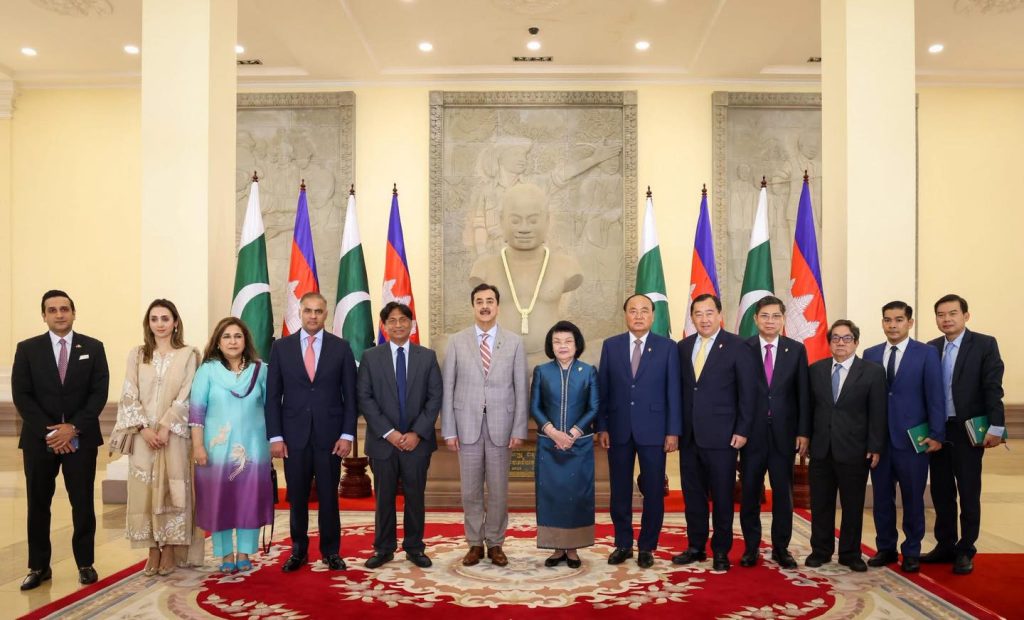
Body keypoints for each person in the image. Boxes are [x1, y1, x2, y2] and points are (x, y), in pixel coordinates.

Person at [12, 290, 109, 590]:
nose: (59, 314)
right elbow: (22, 396)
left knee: (82, 503)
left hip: (82, 439)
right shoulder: (27, 349)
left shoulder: (93, 347)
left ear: (73, 312)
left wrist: (73, 428)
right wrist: (52, 432)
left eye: (64, 309)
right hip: (39, 441)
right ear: (44, 315)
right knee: (38, 504)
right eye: (52, 310)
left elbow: (99, 393)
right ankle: (38, 566)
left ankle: (85, 564)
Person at [265, 292, 357, 572]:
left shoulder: (341, 348)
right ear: (300, 312)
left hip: (331, 438)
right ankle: (298, 550)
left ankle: (331, 552)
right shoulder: (281, 348)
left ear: (326, 314)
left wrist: (347, 435)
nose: (313, 316)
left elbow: (350, 396)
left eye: (318, 311)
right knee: (297, 497)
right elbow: (273, 397)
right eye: (308, 310)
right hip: (293, 438)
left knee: (329, 497)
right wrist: (276, 437)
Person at [112, 299, 203, 576]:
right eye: (154, 319)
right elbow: (129, 393)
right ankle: (152, 548)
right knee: (145, 491)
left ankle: (171, 548)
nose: (160, 324)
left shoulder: (188, 355)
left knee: (173, 489)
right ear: (148, 323)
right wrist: (144, 429)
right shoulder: (138, 355)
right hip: (144, 437)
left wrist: (165, 426)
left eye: (165, 318)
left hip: (174, 436)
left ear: (175, 323)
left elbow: (188, 393)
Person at [441, 283, 528, 567]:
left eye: (490, 301)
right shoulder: (457, 341)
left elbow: (521, 388)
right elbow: (448, 387)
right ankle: (475, 543)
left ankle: (496, 542)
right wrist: (449, 429)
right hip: (466, 425)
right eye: (479, 301)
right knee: (470, 490)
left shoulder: (514, 342)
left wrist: (519, 428)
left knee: (499, 490)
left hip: (502, 427)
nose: (485, 306)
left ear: (498, 306)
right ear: (473, 306)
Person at [596, 293, 682, 569]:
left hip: (655, 430)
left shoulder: (668, 347)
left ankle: (647, 546)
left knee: (654, 490)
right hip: (618, 429)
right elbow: (604, 390)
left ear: (653, 316)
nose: (638, 315)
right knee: (620, 490)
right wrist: (602, 426)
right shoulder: (611, 346)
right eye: (633, 310)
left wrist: (673, 431)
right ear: (625, 315)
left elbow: (674, 391)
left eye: (644, 310)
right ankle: (623, 543)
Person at [923, 294, 1005, 575]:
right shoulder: (931, 348)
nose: (946, 319)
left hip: (968, 430)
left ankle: (966, 548)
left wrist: (997, 426)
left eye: (952, 313)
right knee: (941, 490)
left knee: (968, 491)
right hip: (938, 430)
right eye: (941, 314)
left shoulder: (984, 344)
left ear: (965, 316)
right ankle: (945, 545)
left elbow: (993, 387)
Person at [357, 302, 443, 569]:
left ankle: (415, 548)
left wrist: (417, 433)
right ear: (384, 326)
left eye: (403, 319)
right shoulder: (371, 357)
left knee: (415, 497)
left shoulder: (427, 357)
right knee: (384, 498)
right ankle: (383, 548)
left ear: (411, 324)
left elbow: (434, 398)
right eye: (392, 320)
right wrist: (390, 433)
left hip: (418, 443)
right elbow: (365, 397)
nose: (398, 325)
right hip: (383, 443)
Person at [675, 293, 755, 572]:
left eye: (709, 313)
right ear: (692, 317)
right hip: (689, 436)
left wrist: (743, 429)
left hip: (723, 436)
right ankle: (695, 546)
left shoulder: (738, 346)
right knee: (693, 496)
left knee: (722, 497)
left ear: (719, 315)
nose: (704, 319)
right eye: (698, 314)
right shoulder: (683, 347)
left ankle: (721, 550)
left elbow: (748, 392)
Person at [863, 301, 945, 573]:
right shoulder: (871, 354)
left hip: (913, 441)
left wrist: (937, 434)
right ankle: (885, 547)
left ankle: (911, 550)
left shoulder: (926, 353)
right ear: (882, 323)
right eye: (887, 320)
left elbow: (935, 395)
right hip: (880, 442)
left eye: (899, 320)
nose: (893, 325)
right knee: (881, 499)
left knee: (912, 498)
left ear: (910, 322)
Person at [189, 317, 274, 573]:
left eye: (238, 336)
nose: (232, 341)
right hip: (216, 450)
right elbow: (196, 412)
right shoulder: (207, 371)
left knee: (249, 498)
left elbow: (272, 409)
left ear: (246, 340)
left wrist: (274, 442)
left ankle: (245, 552)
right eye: (226, 336)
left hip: (254, 448)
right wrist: (198, 446)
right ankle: (225, 554)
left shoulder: (260, 370)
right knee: (220, 499)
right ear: (217, 342)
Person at [469, 183, 583, 365]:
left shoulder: (567, 267)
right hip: (499, 361)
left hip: (551, 363)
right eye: (515, 221)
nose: (524, 228)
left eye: (533, 221)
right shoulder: (484, 268)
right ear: (502, 220)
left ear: (547, 220)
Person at [805, 320, 887, 572]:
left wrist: (875, 445)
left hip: (855, 449)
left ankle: (850, 554)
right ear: (829, 342)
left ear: (856, 342)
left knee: (852, 505)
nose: (841, 343)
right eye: (836, 338)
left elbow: (878, 412)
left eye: (847, 338)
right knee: (821, 503)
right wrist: (805, 437)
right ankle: (820, 550)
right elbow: (808, 408)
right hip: (821, 448)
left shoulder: (872, 372)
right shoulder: (816, 370)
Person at [739, 295, 810, 570]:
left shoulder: (796, 350)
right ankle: (751, 547)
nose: (770, 321)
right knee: (750, 493)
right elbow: (736, 393)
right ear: (755, 319)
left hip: (784, 435)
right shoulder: (742, 348)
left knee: (783, 495)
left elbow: (803, 394)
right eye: (765, 316)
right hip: (751, 435)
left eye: (776, 316)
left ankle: (781, 548)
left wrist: (803, 432)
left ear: (783, 319)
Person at [531, 320, 599, 569]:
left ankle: (573, 549)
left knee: (577, 497)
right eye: (557, 341)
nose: (562, 346)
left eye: (568, 341)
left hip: (578, 445)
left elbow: (594, 407)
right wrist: (553, 432)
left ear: (576, 344)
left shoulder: (588, 371)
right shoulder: (542, 371)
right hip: (549, 446)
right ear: (551, 345)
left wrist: (571, 433)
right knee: (552, 497)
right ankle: (556, 548)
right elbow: (535, 407)